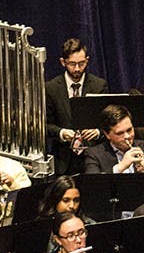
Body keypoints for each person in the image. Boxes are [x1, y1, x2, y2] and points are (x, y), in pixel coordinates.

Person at [44, 38, 108, 175]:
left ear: (87, 60)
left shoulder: (99, 85)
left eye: (81, 63)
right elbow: (46, 125)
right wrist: (62, 133)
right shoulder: (51, 88)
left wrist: (97, 132)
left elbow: (109, 122)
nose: (77, 69)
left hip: (93, 157)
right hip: (63, 160)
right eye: (72, 64)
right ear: (63, 62)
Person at [83, 104, 144, 175]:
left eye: (129, 130)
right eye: (120, 133)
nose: (127, 136)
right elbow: (93, 185)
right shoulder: (94, 154)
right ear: (106, 134)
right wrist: (120, 167)